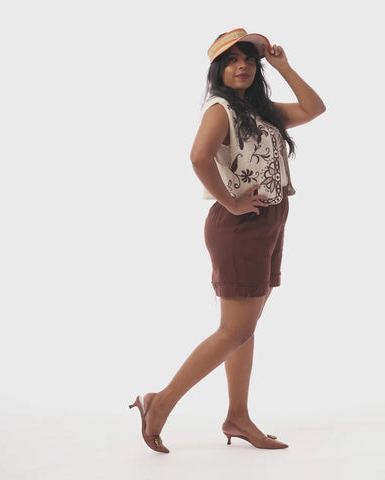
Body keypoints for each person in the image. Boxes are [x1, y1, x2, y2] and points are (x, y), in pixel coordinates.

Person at [129, 28, 326, 454]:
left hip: (270, 219)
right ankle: (159, 402)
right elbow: (198, 157)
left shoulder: (260, 110)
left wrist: (283, 66)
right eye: (233, 59)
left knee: (243, 329)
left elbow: (315, 108)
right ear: (218, 68)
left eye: (249, 59)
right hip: (239, 226)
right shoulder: (220, 109)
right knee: (233, 329)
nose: (243, 66)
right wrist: (231, 202)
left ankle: (237, 417)